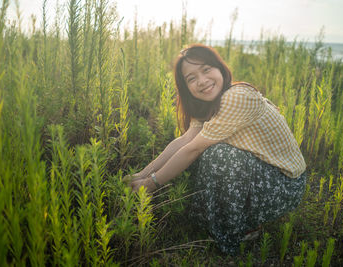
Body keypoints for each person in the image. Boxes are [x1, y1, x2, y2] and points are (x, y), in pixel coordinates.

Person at [128, 43, 306, 254]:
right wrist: (141, 174)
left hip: (285, 185)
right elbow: (184, 142)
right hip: (261, 173)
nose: (202, 82)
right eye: (191, 79)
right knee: (203, 153)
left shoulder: (237, 97)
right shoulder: (208, 103)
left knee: (219, 154)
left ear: (220, 68)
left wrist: (151, 184)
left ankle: (239, 232)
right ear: (186, 87)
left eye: (206, 70)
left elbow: (192, 150)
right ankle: (208, 220)